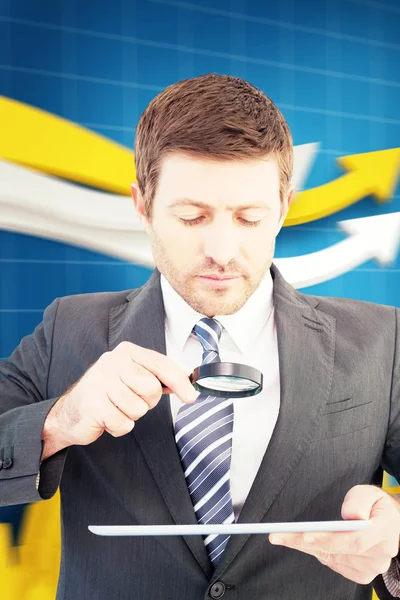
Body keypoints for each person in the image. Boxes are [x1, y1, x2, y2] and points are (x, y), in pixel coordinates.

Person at [0, 73, 399, 600]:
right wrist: (61, 420)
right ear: (142, 205)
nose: (222, 250)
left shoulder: (382, 340)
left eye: (249, 218)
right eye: (192, 217)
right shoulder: (67, 329)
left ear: (282, 207)